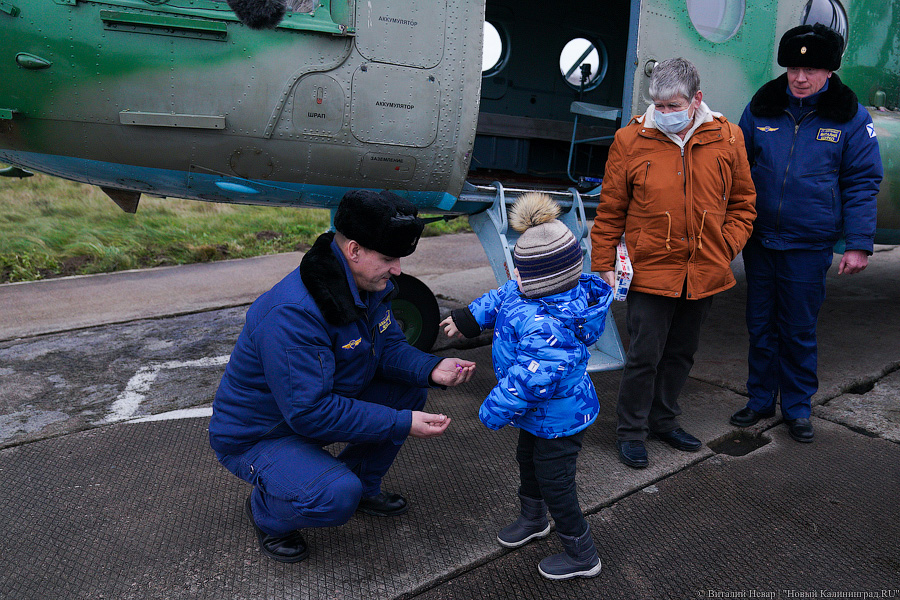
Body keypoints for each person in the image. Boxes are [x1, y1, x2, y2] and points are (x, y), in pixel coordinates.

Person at [209, 189, 476, 563]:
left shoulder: (367, 286)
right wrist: (401, 423)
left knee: (408, 391)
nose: (397, 268)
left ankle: (364, 485)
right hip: (261, 434)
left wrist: (431, 368)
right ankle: (267, 511)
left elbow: (389, 348)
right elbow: (310, 411)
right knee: (336, 496)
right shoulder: (295, 312)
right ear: (353, 251)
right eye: (388, 258)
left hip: (310, 409)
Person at [590, 58, 756, 469]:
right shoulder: (630, 140)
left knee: (682, 352)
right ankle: (630, 431)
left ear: (696, 99)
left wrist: (724, 247)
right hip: (650, 270)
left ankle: (664, 420)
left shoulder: (728, 137)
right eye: (657, 106)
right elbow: (610, 209)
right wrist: (602, 262)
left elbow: (743, 204)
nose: (664, 114)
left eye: (673, 106)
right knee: (645, 354)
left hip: (704, 270)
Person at [441, 192, 613, 580]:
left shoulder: (550, 326)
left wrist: (492, 409)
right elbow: (502, 297)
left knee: (557, 484)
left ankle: (582, 553)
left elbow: (528, 381)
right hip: (539, 417)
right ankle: (534, 520)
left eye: (517, 272)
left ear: (539, 279)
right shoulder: (530, 291)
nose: (512, 277)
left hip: (560, 419)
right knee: (528, 463)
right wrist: (468, 318)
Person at [731, 24, 882, 442]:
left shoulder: (849, 116)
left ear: (830, 72)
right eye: (795, 67)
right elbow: (736, 170)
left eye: (812, 69)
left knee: (797, 328)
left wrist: (858, 245)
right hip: (760, 241)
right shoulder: (761, 107)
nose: (801, 77)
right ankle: (760, 399)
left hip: (809, 244)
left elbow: (862, 182)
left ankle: (797, 406)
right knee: (760, 325)